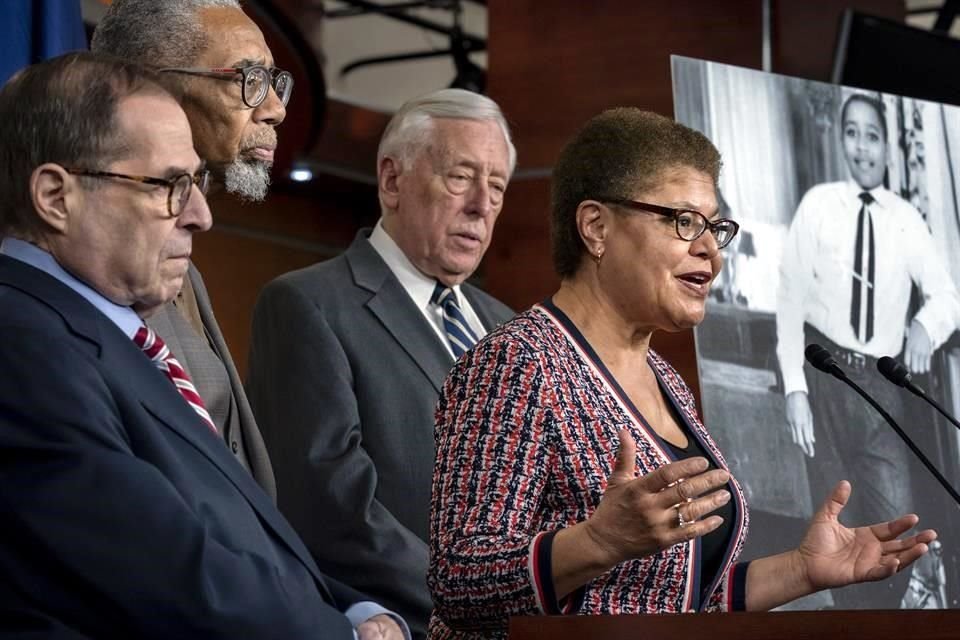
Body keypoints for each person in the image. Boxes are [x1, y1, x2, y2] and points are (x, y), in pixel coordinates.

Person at [427, 107, 936, 639]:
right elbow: (459, 582)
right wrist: (597, 541)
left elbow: (676, 596)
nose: (711, 253)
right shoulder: (517, 364)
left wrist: (803, 569)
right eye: (684, 221)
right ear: (596, 227)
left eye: (715, 228)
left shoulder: (666, 381)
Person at [0, 52, 405, 640]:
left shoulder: (105, 337)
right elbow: (162, 572)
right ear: (56, 197)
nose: (200, 215)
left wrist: (356, 611)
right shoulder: (22, 343)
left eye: (197, 182)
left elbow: (237, 535)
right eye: (168, 184)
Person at [246, 88, 516, 638]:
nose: (481, 207)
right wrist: (477, 606)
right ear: (392, 180)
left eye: (497, 187)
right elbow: (331, 510)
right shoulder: (308, 304)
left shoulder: (509, 328)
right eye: (461, 177)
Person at [91, 0, 288, 497]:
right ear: (148, 85)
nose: (274, 108)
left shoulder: (184, 265)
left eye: (272, 80)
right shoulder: (96, 261)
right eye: (248, 79)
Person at [776, 93, 960, 608]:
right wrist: (794, 388)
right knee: (834, 530)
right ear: (842, 140)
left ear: (886, 149)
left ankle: (889, 612)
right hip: (824, 374)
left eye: (872, 135)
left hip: (879, 388)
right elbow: (789, 299)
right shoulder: (817, 205)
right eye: (852, 132)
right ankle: (850, 620)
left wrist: (924, 326)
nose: (862, 146)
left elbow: (949, 295)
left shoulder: (906, 218)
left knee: (897, 521)